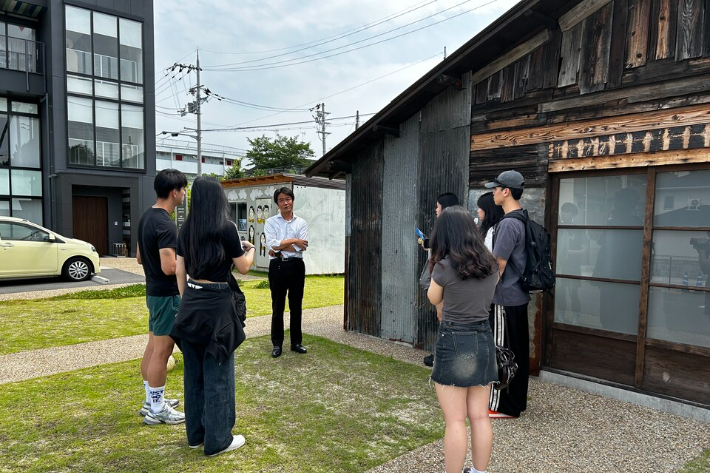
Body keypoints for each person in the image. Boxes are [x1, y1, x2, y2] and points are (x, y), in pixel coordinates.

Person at [171, 177, 256, 456]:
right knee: (218, 372)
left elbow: (179, 270)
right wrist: (251, 249)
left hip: (192, 304)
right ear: (219, 198)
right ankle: (218, 439)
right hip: (218, 306)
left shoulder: (186, 228)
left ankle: (196, 435)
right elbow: (243, 267)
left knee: (193, 373)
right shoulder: (226, 227)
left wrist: (187, 300)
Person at [427, 206, 499, 473]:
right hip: (483, 336)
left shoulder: (445, 266)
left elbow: (433, 298)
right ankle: (479, 472)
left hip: (454, 338)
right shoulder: (491, 264)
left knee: (455, 420)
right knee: (480, 416)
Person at [136, 168, 188, 425]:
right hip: (166, 295)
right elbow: (169, 267)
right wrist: (189, 263)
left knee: (153, 347)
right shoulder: (165, 223)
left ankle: (150, 400)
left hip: (153, 293)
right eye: (183, 189)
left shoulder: (146, 217)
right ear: (174, 192)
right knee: (163, 352)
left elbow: (138, 257)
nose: (184, 194)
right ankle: (157, 408)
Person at [484, 170, 530, 419]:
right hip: (517, 297)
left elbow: (497, 265)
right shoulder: (522, 219)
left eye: (495, 188)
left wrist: (482, 294)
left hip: (504, 297)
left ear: (506, 191)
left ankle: (503, 405)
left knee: (502, 352)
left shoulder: (509, 223)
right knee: (516, 351)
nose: (493, 192)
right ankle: (515, 402)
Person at [265, 187, 309, 358]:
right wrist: (294, 240)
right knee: (278, 306)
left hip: (297, 265)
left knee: (296, 306)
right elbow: (271, 245)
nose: (286, 203)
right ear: (277, 203)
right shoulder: (271, 222)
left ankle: (296, 342)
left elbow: (302, 247)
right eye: (282, 200)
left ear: (292, 200)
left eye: (288, 199)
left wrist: (282, 245)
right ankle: (277, 344)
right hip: (278, 266)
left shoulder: (301, 223)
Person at [420, 192, 460, 367]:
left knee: (443, 317)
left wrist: (439, 304)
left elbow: (442, 255)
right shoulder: (459, 227)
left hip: (444, 285)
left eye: (437, 206)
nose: (436, 210)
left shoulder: (448, 229)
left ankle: (443, 356)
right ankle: (442, 354)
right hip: (447, 284)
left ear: (445, 207)